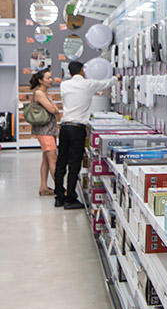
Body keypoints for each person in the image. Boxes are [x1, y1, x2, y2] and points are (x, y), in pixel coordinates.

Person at [54, 61, 119, 209]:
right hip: (78, 128)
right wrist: (117, 78)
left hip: (65, 127)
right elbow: (105, 83)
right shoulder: (88, 84)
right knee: (74, 163)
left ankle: (59, 197)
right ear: (82, 70)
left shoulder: (64, 85)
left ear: (69, 72)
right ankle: (70, 198)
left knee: (61, 162)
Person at [30, 69, 60, 197]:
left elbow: (54, 109)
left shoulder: (44, 93)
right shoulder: (39, 93)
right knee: (53, 159)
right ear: (40, 80)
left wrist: (55, 108)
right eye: (48, 78)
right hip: (45, 131)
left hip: (49, 129)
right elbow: (53, 109)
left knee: (46, 159)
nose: (51, 80)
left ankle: (43, 187)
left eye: (51, 77)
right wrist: (55, 108)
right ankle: (60, 189)